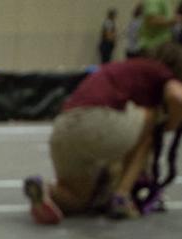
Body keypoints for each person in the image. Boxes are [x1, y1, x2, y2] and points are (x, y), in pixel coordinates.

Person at [23, 43, 182, 224]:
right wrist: (170, 125)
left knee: (78, 200)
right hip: (97, 122)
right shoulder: (161, 72)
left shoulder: (126, 69)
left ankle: (46, 190)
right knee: (152, 123)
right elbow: (177, 97)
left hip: (63, 127)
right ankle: (121, 195)